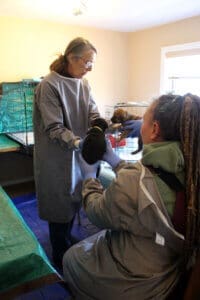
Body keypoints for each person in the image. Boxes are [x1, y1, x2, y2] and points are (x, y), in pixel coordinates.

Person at [63, 93, 200, 299]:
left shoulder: (134, 182)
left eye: (143, 120)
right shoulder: (193, 170)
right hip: (172, 262)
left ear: (154, 129)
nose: (141, 125)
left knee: (72, 258)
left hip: (141, 280)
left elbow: (96, 212)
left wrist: (89, 177)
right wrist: (114, 160)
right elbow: (155, 177)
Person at [33, 37, 101, 269]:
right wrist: (80, 143)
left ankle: (66, 238)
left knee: (73, 197)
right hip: (55, 156)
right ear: (72, 58)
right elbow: (54, 128)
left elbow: (92, 110)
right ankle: (59, 255)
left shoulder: (84, 84)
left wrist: (99, 124)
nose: (90, 68)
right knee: (58, 201)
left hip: (76, 153)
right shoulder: (49, 86)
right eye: (87, 62)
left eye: (92, 63)